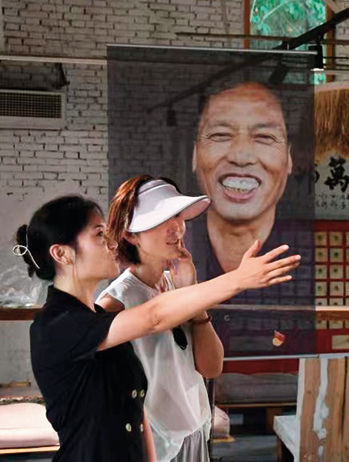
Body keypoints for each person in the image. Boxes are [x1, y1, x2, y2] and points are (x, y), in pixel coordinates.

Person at [19, 195, 300, 461]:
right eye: (99, 235)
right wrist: (237, 280)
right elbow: (153, 316)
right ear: (62, 253)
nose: (112, 243)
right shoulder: (57, 326)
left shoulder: (99, 319)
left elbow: (136, 411)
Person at [97, 176, 219, 461]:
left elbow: (211, 367)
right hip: (155, 442)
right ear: (130, 235)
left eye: (177, 215)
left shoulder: (177, 282)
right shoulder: (116, 302)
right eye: (162, 219)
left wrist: (193, 293)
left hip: (193, 430)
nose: (176, 227)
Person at [191, 82, 293, 280]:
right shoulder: (171, 249)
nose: (241, 156)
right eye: (221, 135)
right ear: (195, 154)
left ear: (289, 159)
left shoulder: (312, 256)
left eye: (264, 137)